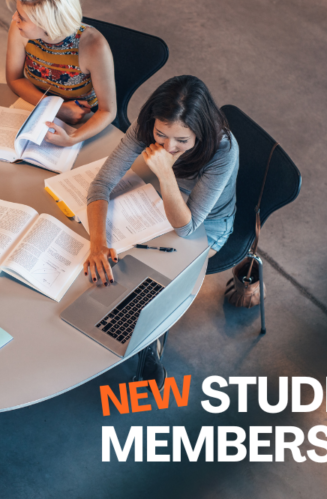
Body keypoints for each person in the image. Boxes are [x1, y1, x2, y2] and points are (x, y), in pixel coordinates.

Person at [85, 75, 239, 387]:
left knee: (155, 279)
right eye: (161, 135)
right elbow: (101, 185)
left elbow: (188, 227)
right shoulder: (147, 127)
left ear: (201, 132)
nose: (168, 146)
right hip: (157, 201)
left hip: (207, 225)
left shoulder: (223, 150)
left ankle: (149, 345)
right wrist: (97, 243)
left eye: (182, 141)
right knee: (114, 261)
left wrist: (166, 174)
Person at [6, 0, 116, 147]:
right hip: (38, 104)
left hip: (81, 117)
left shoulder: (94, 46)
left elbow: (108, 111)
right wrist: (58, 109)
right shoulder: (19, 29)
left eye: (22, 17)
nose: (14, 18)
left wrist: (72, 139)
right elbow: (14, 79)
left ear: (47, 24)